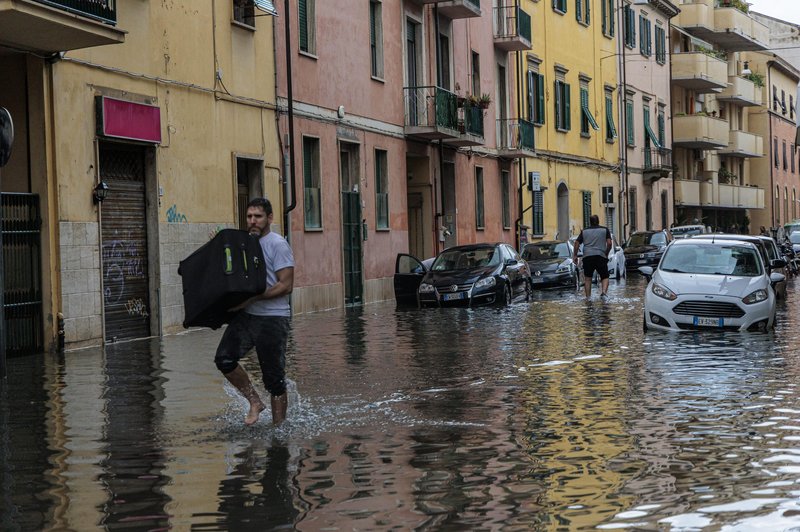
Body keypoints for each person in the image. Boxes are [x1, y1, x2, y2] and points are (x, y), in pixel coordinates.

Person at [214, 198, 295, 426]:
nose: (252, 221)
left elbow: (286, 285)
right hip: (248, 316)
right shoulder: (246, 244)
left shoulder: (277, 244)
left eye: (258, 216)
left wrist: (253, 298)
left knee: (274, 380)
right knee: (224, 359)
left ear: (269, 218)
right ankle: (254, 401)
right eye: (249, 216)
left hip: (273, 318)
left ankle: (278, 431)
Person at [572, 214, 612, 299]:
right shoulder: (605, 230)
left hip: (587, 257)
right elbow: (609, 243)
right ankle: (604, 293)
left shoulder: (584, 231)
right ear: (598, 221)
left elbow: (576, 243)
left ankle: (588, 297)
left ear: (589, 222)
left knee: (588, 278)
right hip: (600, 256)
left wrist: (575, 255)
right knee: (605, 276)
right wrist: (606, 253)